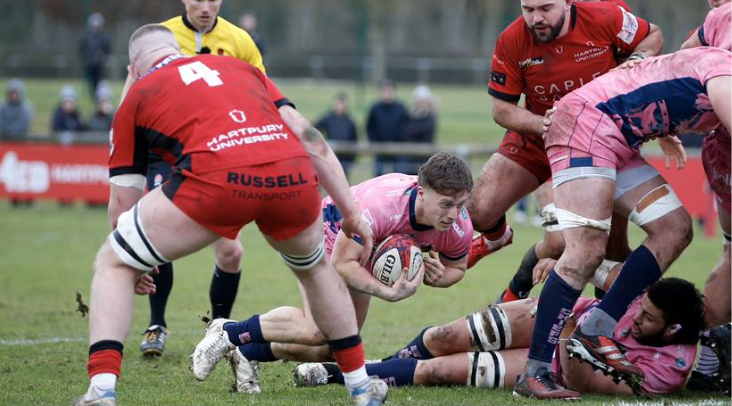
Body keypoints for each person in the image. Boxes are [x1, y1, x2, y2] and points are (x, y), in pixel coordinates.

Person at [74, 24, 386, 406]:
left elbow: (123, 205)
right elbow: (309, 139)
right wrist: (351, 212)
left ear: (132, 69)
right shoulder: (243, 69)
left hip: (217, 180)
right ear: (181, 51)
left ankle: (101, 392)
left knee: (113, 261)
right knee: (316, 269)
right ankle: (359, 387)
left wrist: (137, 264)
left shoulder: (136, 95)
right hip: (290, 175)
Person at [515, 47, 731, 400]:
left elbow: (655, 75)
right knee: (585, 251)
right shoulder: (724, 71)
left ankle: (597, 327)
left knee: (675, 228)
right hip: (587, 126)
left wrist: (662, 127)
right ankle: (535, 370)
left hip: (615, 136)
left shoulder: (714, 62)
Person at [189, 152, 474, 394]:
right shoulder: (381, 208)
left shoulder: (459, 225)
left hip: (361, 254)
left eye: (460, 205)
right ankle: (228, 332)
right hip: (323, 232)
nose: (453, 214)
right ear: (422, 194)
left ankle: (247, 352)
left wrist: (439, 278)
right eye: (446, 204)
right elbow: (342, 263)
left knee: (336, 346)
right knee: (315, 329)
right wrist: (387, 292)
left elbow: (458, 267)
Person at [466, 0, 664, 308]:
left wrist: (636, 59)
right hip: (538, 138)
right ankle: (496, 239)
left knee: (604, 247)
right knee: (479, 210)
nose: (536, 18)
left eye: (545, 8)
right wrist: (542, 124)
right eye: (528, 9)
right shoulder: (513, 38)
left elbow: (652, 35)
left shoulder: (605, 14)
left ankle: (600, 323)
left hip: (600, 142)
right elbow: (501, 109)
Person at [129, 0, 269, 357]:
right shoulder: (160, 36)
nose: (205, 6)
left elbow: (262, 95)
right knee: (160, 237)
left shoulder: (239, 40)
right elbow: (131, 96)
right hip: (165, 155)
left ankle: (217, 333)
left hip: (217, 158)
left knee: (231, 252)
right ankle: (156, 324)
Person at [295, 277, 705, 396]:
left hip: (562, 366)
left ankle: (336, 374)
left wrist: (565, 329)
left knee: (438, 372)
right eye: (641, 307)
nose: (635, 320)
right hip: (558, 317)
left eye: (647, 319)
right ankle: (379, 367)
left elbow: (585, 381)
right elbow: (600, 272)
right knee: (442, 335)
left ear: (672, 330)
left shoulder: (667, 371)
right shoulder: (641, 294)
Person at [680, 0, 732, 392]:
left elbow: (680, 63)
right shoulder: (722, 15)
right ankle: (718, 349)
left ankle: (714, 354)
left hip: (721, 149)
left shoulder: (718, 16)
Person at [366, 80, 409, 176]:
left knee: (399, 176)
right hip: (379, 148)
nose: (387, 94)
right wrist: (373, 143)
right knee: (378, 176)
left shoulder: (401, 107)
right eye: (385, 91)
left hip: (398, 149)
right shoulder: (375, 108)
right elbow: (369, 127)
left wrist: (402, 141)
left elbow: (407, 126)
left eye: (389, 91)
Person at [395, 84, 437, 175]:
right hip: (409, 156)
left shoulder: (430, 115)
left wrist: (412, 130)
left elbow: (422, 130)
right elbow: (404, 131)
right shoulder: (410, 113)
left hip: (423, 156)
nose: (420, 102)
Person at [315, 93, 358, 178]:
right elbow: (315, 128)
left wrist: (352, 159)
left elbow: (355, 139)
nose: (340, 106)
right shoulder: (327, 118)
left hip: (345, 159)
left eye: (342, 104)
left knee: (344, 180)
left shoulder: (350, 121)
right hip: (331, 156)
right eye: (339, 103)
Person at [79, 13, 112, 99]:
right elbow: (82, 48)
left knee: (99, 81)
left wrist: (103, 55)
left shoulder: (104, 37)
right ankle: (93, 96)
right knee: (90, 81)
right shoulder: (86, 37)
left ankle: (100, 95)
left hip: (99, 65)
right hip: (89, 64)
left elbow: (108, 49)